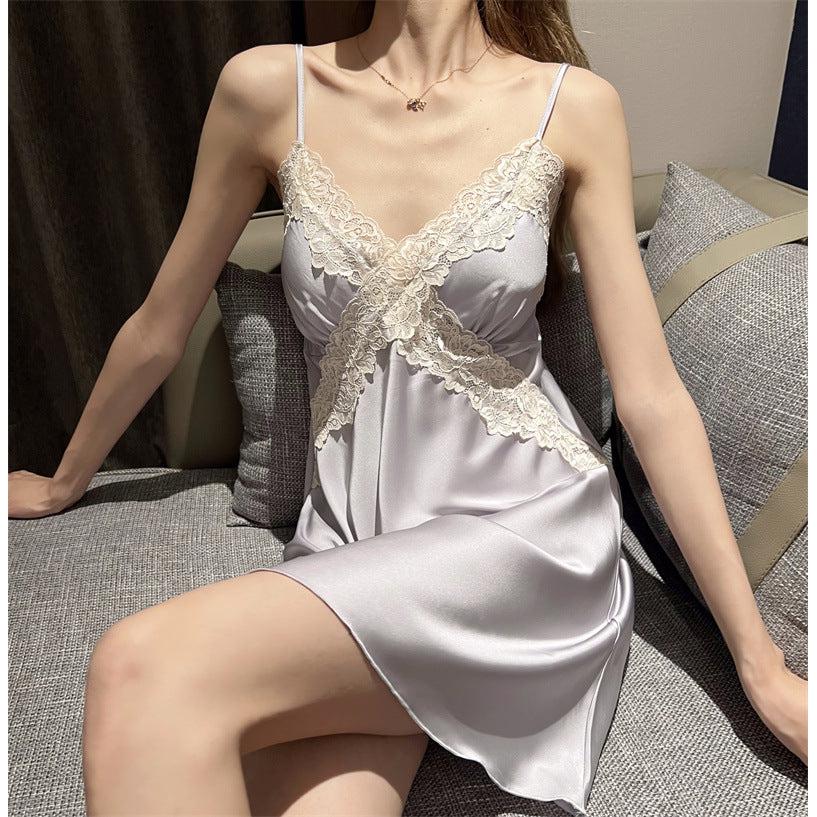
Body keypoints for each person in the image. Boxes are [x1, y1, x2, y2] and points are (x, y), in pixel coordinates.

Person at [8, 1, 807, 815]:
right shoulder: (268, 89)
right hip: (353, 541)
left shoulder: (569, 104)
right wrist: (63, 481)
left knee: (141, 665)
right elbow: (159, 326)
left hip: (523, 540)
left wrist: (760, 664)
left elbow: (651, 397)